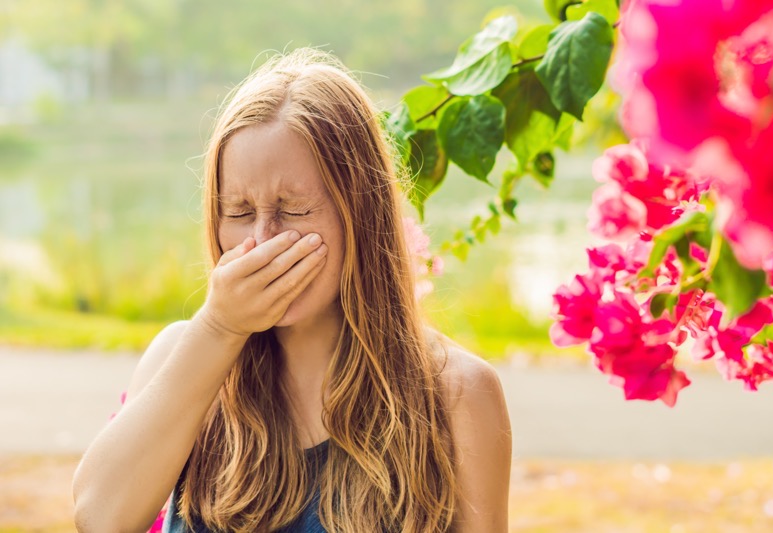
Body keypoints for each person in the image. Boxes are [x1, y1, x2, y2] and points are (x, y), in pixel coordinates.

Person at [72, 48, 512, 533]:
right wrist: (219, 329)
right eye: (238, 212)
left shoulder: (456, 394)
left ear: (362, 214)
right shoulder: (183, 356)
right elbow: (99, 517)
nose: (263, 240)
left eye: (295, 210)